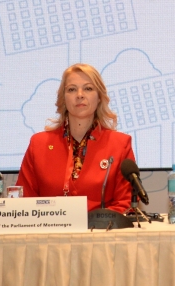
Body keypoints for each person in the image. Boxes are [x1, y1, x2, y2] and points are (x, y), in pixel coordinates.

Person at [16, 63, 135, 212]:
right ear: (63, 98)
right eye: (72, 89)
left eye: (88, 88)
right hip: (49, 226)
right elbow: (24, 202)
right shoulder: (38, 144)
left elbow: (125, 203)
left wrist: (95, 223)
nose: (80, 95)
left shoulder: (120, 144)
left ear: (99, 97)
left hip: (101, 226)